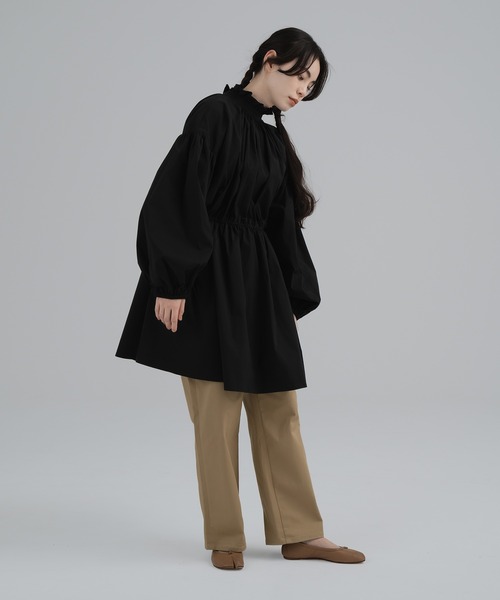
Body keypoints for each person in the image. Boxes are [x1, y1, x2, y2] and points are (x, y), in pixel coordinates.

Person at [115, 27, 365, 570]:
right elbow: (176, 194)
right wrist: (171, 282)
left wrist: (291, 294)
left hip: (258, 286)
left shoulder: (273, 141)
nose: (303, 91)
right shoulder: (214, 113)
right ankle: (225, 536)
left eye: (312, 86)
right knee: (216, 415)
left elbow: (281, 225)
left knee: (280, 409)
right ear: (270, 60)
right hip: (206, 281)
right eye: (300, 76)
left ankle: (301, 533)